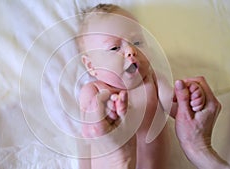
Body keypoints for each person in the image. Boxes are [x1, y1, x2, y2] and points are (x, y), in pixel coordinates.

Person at [77, 4, 205, 169]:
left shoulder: (153, 81)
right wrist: (103, 113)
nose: (131, 50)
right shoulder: (94, 91)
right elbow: (87, 136)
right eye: (115, 48)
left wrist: (190, 98)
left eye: (137, 42)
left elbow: (178, 110)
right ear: (91, 66)